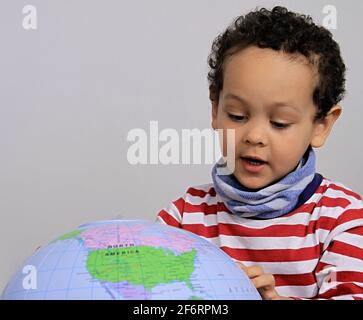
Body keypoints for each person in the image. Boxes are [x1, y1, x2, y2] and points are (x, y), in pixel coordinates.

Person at [156, 6, 363, 300]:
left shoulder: (342, 218)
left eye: (279, 123)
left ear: (321, 125)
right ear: (215, 108)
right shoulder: (182, 217)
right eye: (237, 115)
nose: (254, 136)